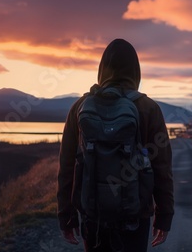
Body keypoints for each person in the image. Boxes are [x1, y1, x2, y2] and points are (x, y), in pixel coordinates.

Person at [57, 38, 174, 251]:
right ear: (136, 71)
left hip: (93, 216)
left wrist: (66, 217)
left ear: (101, 69)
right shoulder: (149, 109)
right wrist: (164, 217)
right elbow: (162, 168)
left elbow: (66, 167)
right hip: (135, 217)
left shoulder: (80, 108)